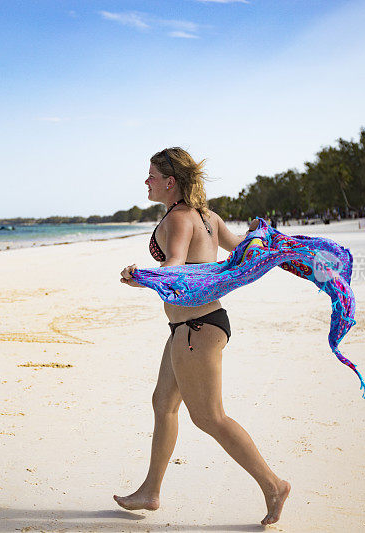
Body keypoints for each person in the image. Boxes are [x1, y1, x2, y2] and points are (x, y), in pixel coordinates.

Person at [117, 147, 291, 526]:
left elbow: (176, 264)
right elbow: (241, 249)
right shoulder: (208, 217)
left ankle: (273, 485)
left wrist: (143, 278)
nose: (145, 181)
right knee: (163, 403)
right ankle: (150, 491)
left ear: (170, 181)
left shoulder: (179, 218)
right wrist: (261, 241)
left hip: (196, 329)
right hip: (195, 326)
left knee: (210, 417)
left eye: (151, 175)